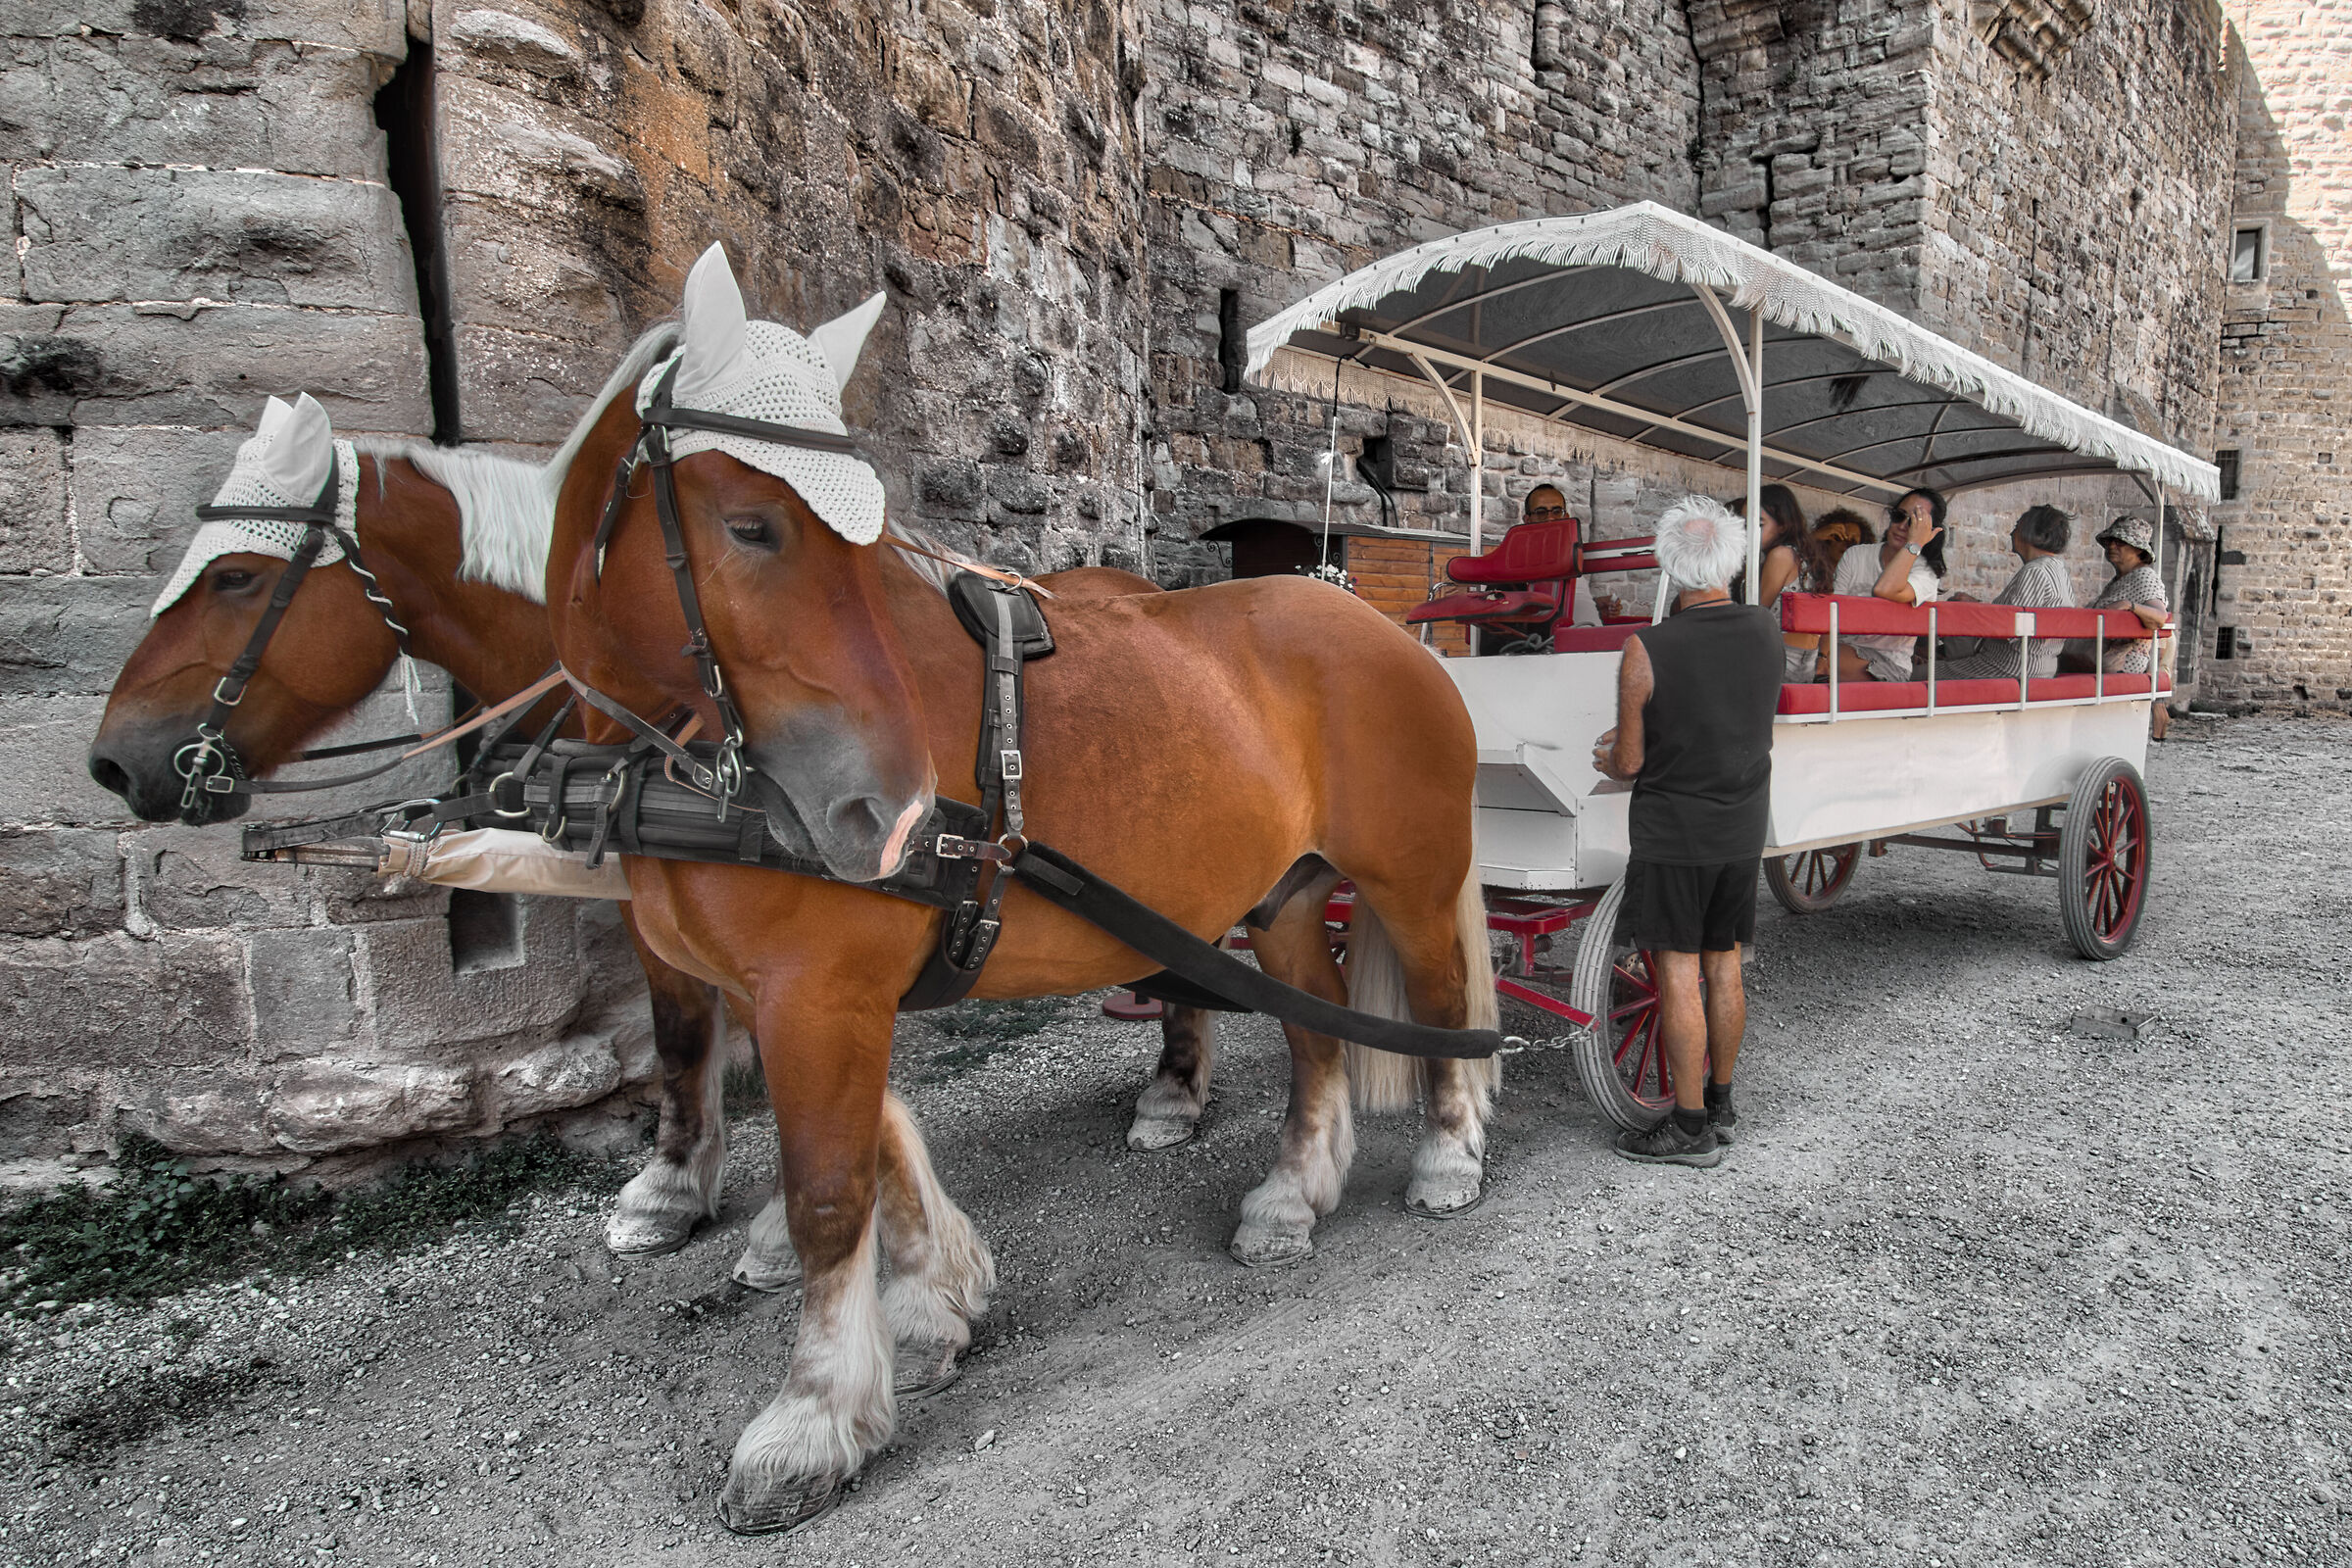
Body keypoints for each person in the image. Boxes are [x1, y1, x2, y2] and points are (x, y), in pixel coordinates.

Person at [1591, 496, 1783, 1168]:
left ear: (1667, 567)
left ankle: (1690, 1127)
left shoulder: (1646, 648)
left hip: (1675, 831)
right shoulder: (1766, 631)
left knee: (1676, 975)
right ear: (1733, 561)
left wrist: (1608, 754)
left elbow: (1632, 762)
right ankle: (1722, 1106)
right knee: (1724, 964)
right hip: (1740, 826)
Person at [1936, 504, 2076, 681]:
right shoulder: (2058, 569)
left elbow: (2007, 628)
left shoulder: (2035, 571)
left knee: (1918, 674)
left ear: (2029, 531)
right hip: (2041, 666)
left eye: (2017, 527)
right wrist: (1976, 604)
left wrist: (1970, 609)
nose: (2011, 533)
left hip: (2010, 666)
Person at [2069, 514, 2174, 737]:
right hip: (2101, 658)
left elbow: (2159, 617)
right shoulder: (2121, 579)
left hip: (2121, 664)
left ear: (2139, 550)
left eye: (2121, 542)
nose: (2112, 546)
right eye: (2110, 542)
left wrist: (2130, 606)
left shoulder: (2144, 577)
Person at [1826, 487, 1945, 681]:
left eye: (1914, 522)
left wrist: (1915, 544)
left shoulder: (1926, 572)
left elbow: (1884, 589)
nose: (1902, 526)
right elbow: (1834, 613)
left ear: (1929, 532)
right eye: (1899, 516)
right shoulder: (1856, 554)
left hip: (1890, 665)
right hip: (1841, 649)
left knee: (1824, 660)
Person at [1733, 484, 1834, 680]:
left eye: (1759, 524)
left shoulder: (1781, 555)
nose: (1748, 532)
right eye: (1744, 524)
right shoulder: (1804, 556)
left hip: (1781, 658)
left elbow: (1757, 612)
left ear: (1783, 525)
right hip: (1804, 660)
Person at [1810, 508, 1875, 577]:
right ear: (1826, 540)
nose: (1846, 545)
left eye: (1852, 542)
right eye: (1840, 537)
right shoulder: (1807, 572)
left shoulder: (1862, 581)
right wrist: (1813, 537)